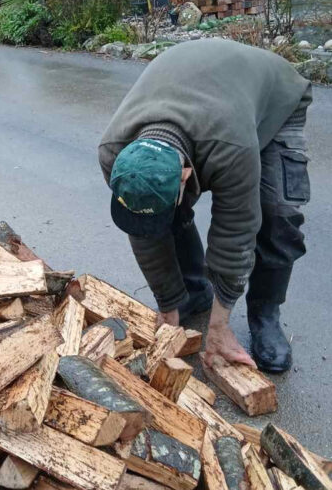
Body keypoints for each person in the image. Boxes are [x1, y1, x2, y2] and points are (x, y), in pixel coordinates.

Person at [99, 38, 311, 372]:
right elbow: (144, 231)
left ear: (186, 175)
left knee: (277, 215)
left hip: (275, 99)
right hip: (211, 95)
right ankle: (192, 293)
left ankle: (265, 313)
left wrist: (219, 329)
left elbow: (235, 234)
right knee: (162, 211)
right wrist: (168, 305)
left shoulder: (230, 148)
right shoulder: (114, 152)